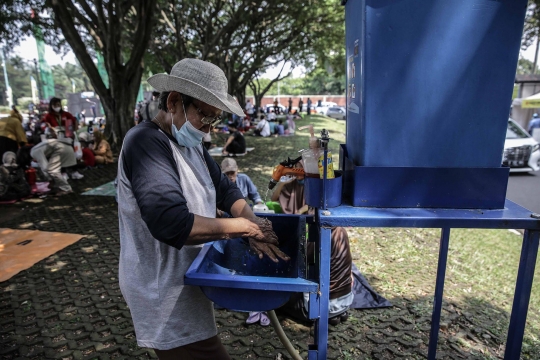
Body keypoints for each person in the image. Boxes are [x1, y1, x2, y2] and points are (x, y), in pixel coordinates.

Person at [117, 58, 289, 360]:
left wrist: (254, 222)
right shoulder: (145, 142)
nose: (208, 128)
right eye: (204, 116)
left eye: (214, 120)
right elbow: (172, 223)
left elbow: (225, 189)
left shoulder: (191, 144)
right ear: (173, 101)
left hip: (187, 276)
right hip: (162, 288)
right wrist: (246, 228)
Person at [272, 161, 353, 325]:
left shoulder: (318, 234)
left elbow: (295, 260)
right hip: (345, 300)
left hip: (323, 306)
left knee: (274, 294)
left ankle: (315, 314)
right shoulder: (338, 227)